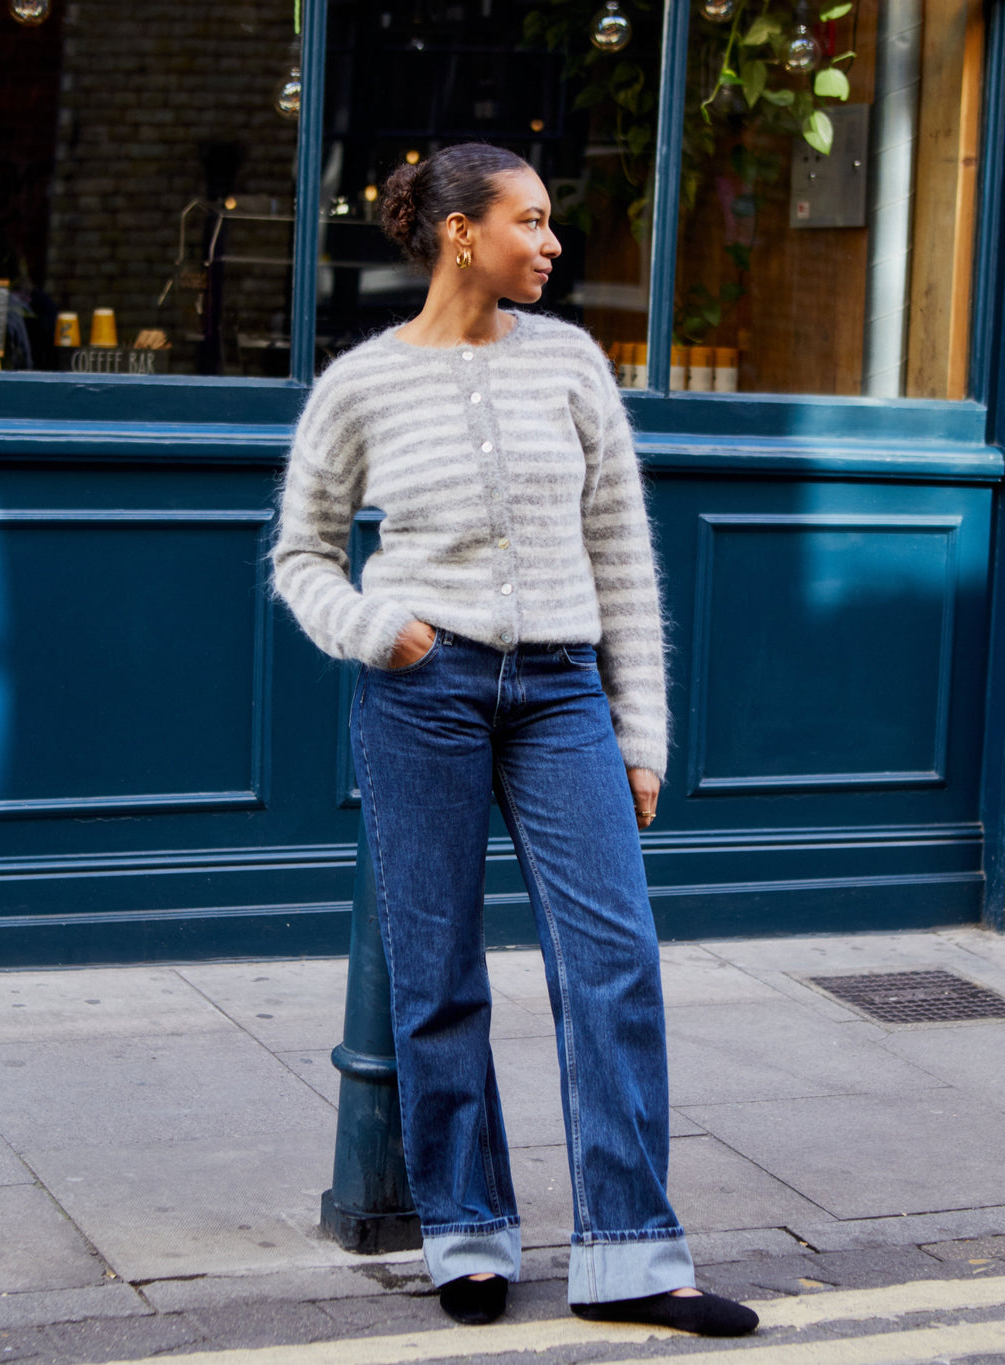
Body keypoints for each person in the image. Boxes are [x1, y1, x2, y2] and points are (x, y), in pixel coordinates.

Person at [272, 142, 758, 1339]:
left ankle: (633, 1256)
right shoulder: (362, 384)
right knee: (436, 979)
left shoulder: (573, 366)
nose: (550, 244)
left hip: (559, 695)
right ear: (457, 234)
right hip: (420, 693)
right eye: (530, 222)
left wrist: (637, 731)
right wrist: (378, 627)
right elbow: (302, 557)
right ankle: (468, 1234)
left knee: (614, 962)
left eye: (549, 224)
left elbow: (621, 562)